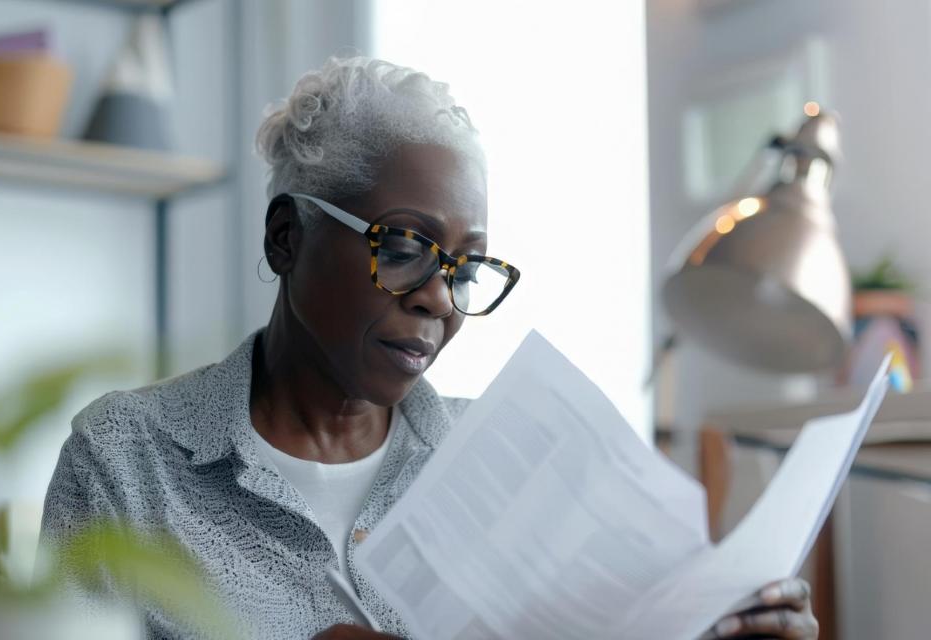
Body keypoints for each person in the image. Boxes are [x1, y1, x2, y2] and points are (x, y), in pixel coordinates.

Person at [40, 56, 818, 640]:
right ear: (287, 237)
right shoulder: (126, 465)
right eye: (405, 245)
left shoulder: (515, 457)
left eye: (465, 265)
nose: (439, 298)